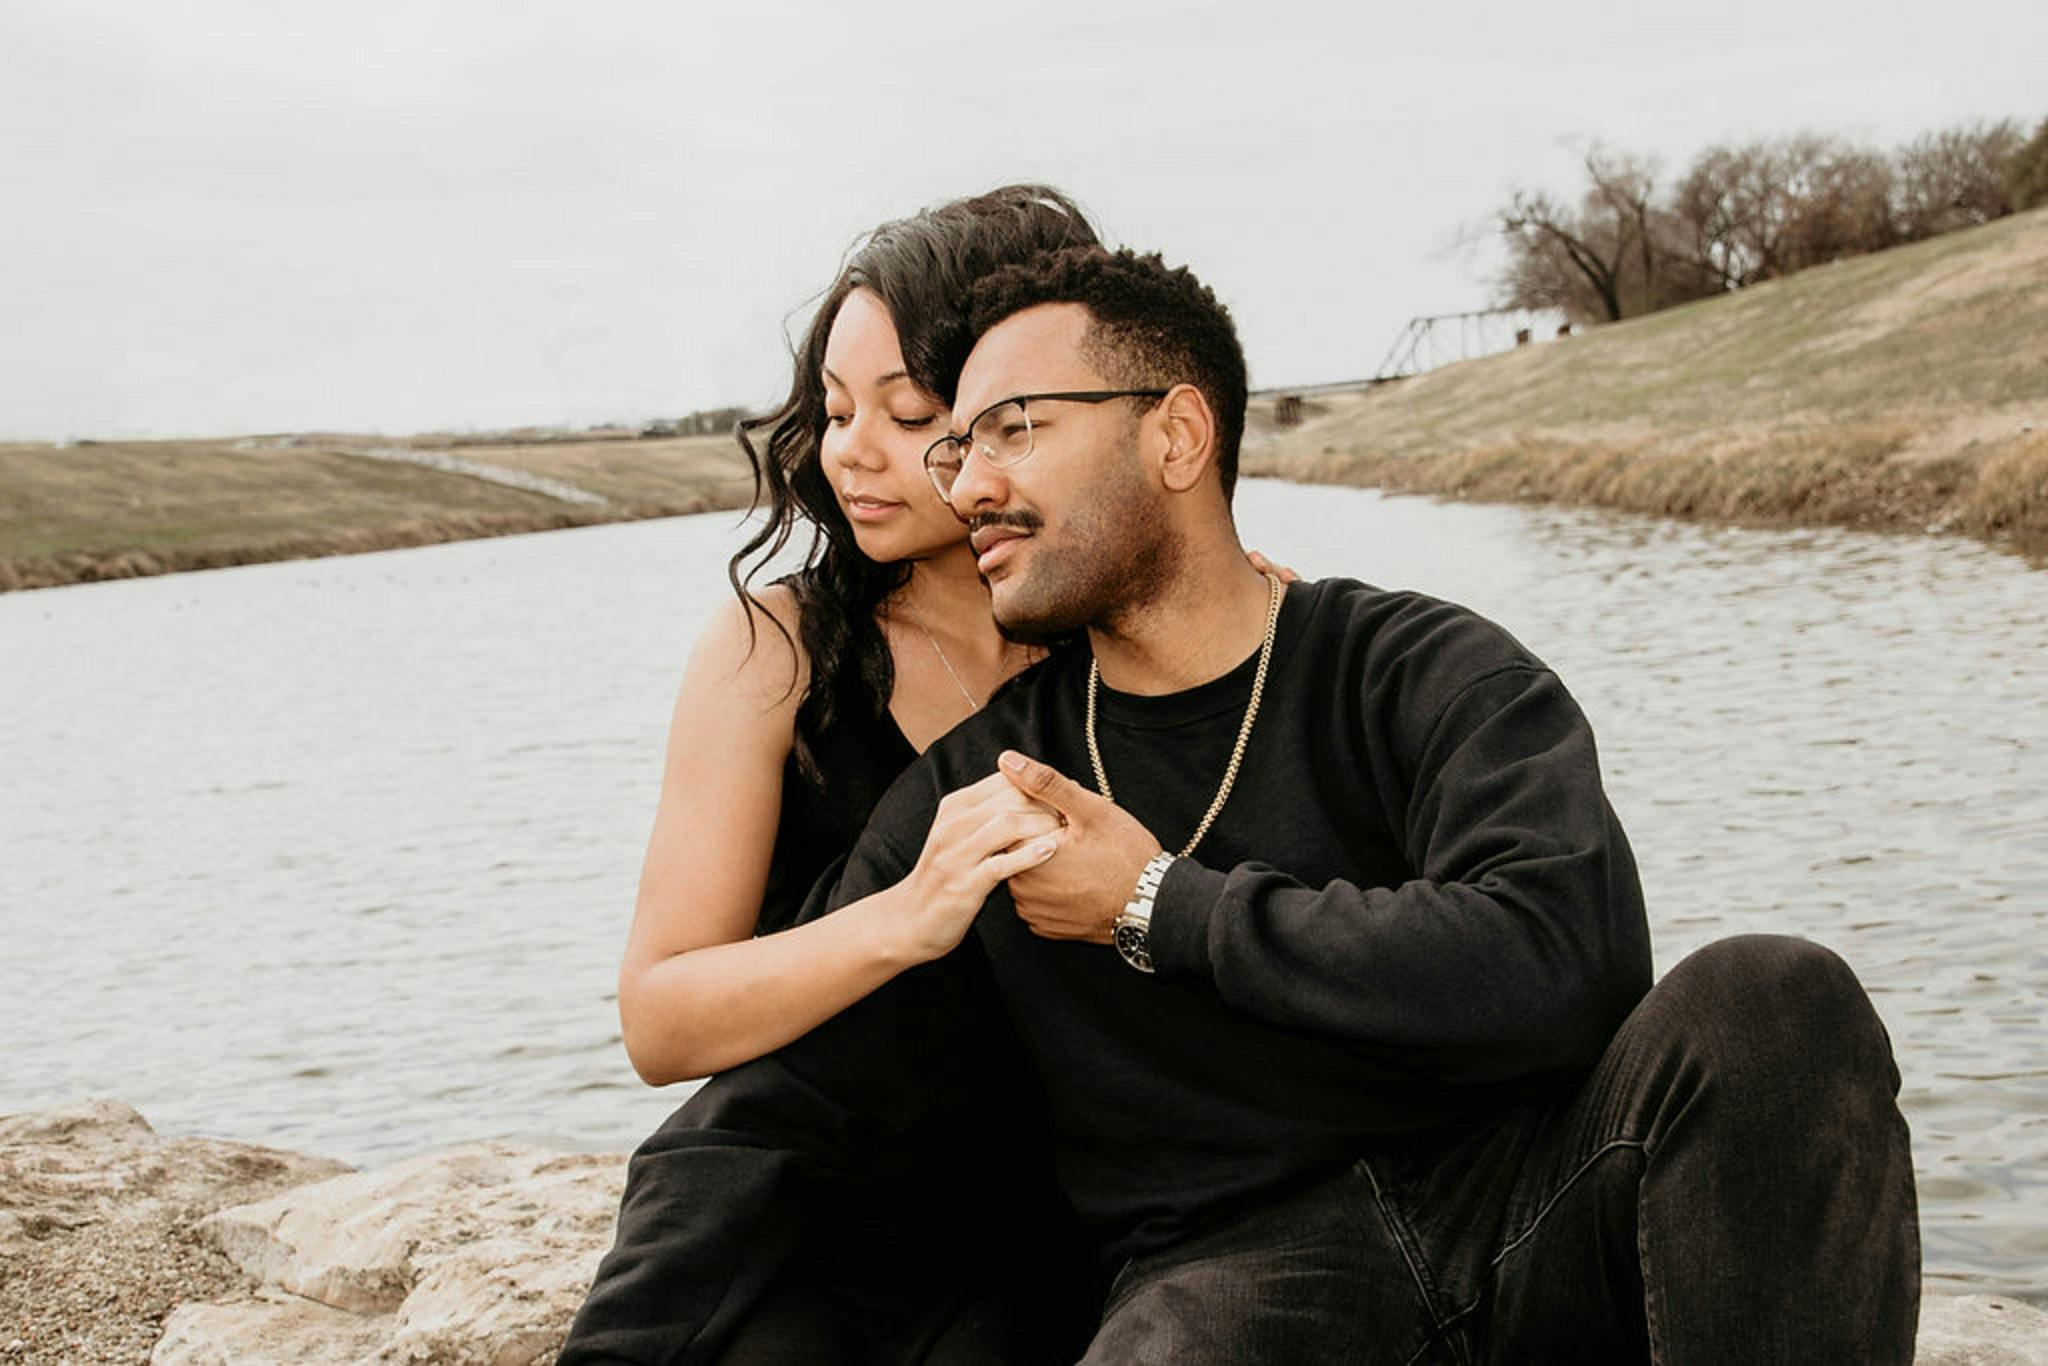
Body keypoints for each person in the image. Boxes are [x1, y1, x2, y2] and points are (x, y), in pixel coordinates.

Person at [564, 247, 1919, 1364]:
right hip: (1232, 1285)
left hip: (1530, 1206)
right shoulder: (984, 786)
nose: (967, 481)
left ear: (1178, 433)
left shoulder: (1422, 669)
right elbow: (767, 1116)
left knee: (1773, 999)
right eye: (959, 443)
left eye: (1015, 431)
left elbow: (1568, 958)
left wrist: (1160, 903)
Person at [597, 184, 1108, 1364]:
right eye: (832, 410)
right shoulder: (774, 647)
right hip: (787, 1211)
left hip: (1051, 1224)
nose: (849, 453)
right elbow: (659, 1021)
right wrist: (905, 916)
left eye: (904, 409)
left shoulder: (1127, 644)